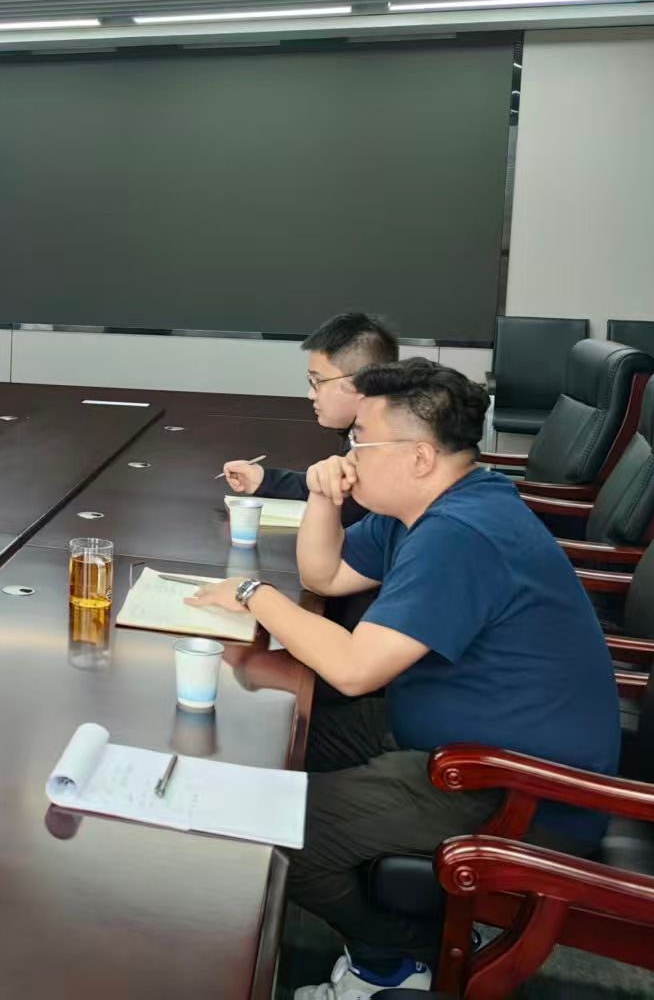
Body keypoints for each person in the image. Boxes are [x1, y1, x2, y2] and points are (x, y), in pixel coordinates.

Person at [186, 359, 618, 999]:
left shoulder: (460, 534)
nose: (348, 455)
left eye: (360, 439)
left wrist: (253, 593)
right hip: (445, 734)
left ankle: (404, 956)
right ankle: (390, 943)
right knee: (274, 738)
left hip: (517, 785)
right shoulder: (430, 504)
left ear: (418, 457)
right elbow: (325, 577)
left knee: (271, 827)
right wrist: (323, 497)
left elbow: (355, 669)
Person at [221, 311, 400, 524]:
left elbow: (344, 510)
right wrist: (265, 480)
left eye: (318, 381)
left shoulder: (384, 448)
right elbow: (328, 487)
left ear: (362, 384)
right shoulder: (370, 425)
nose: (311, 394)